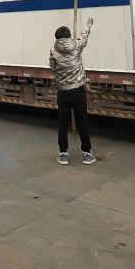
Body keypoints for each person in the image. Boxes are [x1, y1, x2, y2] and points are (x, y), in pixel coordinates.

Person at [49, 18, 96, 165]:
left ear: (57, 38)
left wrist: (63, 77)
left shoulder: (53, 51)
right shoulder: (76, 46)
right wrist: (88, 24)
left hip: (63, 92)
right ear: (69, 36)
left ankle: (63, 154)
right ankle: (87, 153)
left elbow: (53, 69)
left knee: (62, 122)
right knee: (83, 121)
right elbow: (84, 36)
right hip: (78, 91)